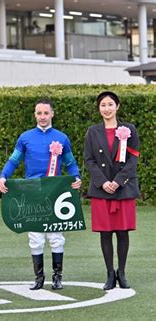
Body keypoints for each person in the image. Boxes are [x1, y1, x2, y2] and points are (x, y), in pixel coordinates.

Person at [0, 99, 81, 290]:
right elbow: (13, 160)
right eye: (39, 113)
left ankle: (57, 277)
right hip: (32, 192)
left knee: (55, 236)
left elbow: (70, 163)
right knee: (35, 236)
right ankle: (39, 278)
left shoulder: (62, 137)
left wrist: (76, 177)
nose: (42, 116)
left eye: (46, 113)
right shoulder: (25, 137)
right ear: (35, 115)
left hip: (55, 192)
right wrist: (3, 176)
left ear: (52, 114)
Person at [84, 91, 140, 290]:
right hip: (101, 190)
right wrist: (102, 182)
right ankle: (109, 274)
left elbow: (133, 158)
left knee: (123, 232)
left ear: (117, 106)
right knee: (105, 233)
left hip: (123, 189)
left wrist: (117, 181)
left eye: (110, 104)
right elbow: (89, 160)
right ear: (99, 109)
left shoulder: (129, 129)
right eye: (102, 105)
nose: (106, 109)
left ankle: (122, 273)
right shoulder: (92, 131)